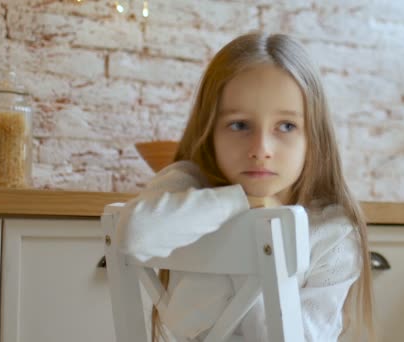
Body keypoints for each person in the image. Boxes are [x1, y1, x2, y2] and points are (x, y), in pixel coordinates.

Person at [117, 32, 374, 342]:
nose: (261, 148)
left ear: (314, 137)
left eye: (286, 126)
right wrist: (240, 202)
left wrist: (264, 232)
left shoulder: (332, 231)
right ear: (210, 131)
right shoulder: (188, 188)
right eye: (239, 125)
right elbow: (134, 234)